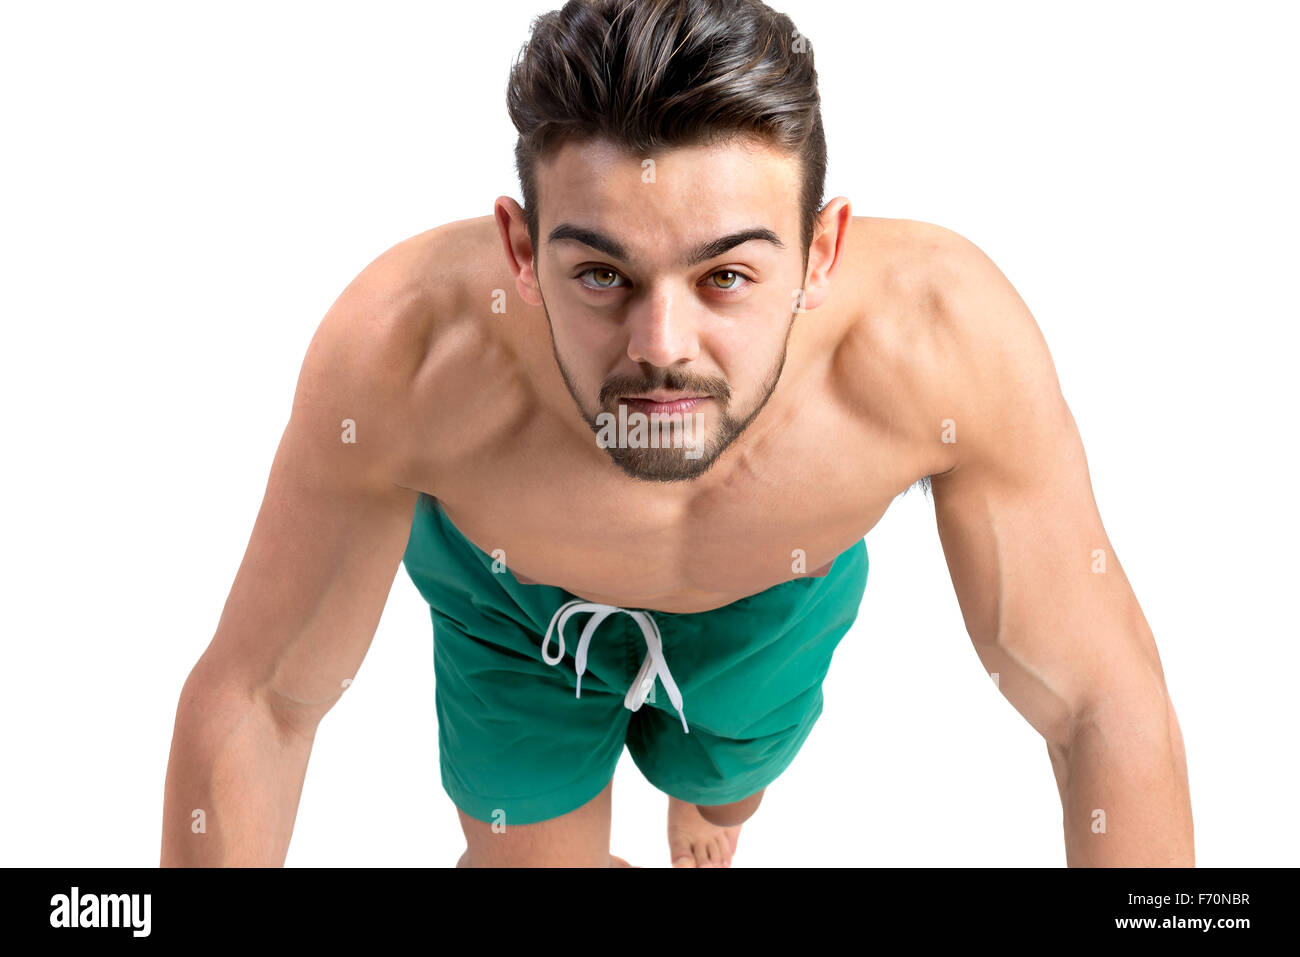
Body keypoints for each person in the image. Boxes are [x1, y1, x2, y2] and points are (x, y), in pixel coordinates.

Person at [161, 0, 1193, 868]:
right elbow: (259, 698)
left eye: (726, 277)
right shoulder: (403, 349)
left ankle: (712, 804)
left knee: (725, 787)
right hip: (509, 606)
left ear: (820, 251)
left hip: (769, 604)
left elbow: (1099, 699)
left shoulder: (942, 338)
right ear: (520, 251)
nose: (661, 348)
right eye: (601, 274)